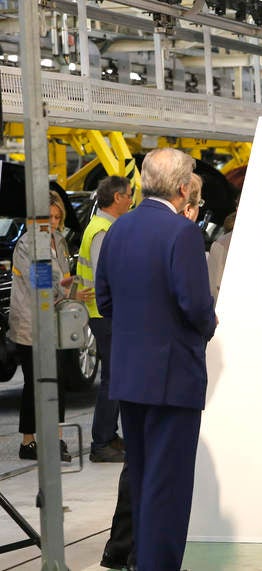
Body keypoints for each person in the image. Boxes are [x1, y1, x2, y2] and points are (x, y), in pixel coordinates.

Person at [96, 148, 216, 571]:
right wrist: (208, 327)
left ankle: (140, 559)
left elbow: (105, 299)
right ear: (184, 188)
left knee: (144, 475)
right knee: (169, 483)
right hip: (173, 377)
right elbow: (196, 306)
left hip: (130, 376)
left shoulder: (118, 229)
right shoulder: (181, 233)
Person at [11, 191, 92, 462]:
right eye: (49, 217)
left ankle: (52, 440)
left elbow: (58, 278)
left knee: (54, 383)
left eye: (57, 217)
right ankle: (31, 441)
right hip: (31, 327)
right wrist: (68, 294)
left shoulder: (59, 240)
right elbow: (39, 285)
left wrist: (69, 286)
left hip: (55, 323)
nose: (54, 222)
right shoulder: (27, 244)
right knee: (38, 384)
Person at [78, 175, 133, 463]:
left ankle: (109, 436)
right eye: (128, 195)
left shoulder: (105, 227)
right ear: (117, 199)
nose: (131, 200)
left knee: (116, 377)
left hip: (105, 312)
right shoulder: (101, 231)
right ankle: (101, 442)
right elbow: (105, 275)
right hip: (105, 313)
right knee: (113, 379)